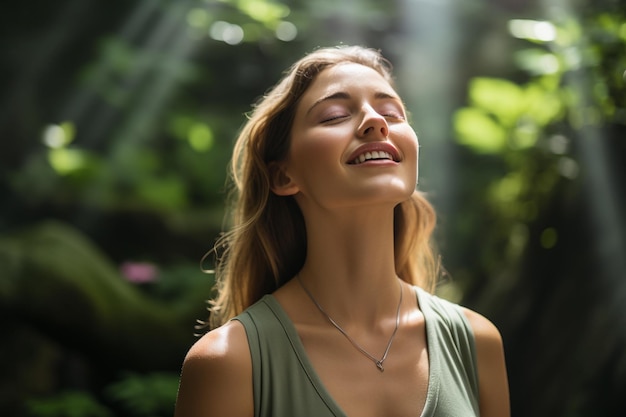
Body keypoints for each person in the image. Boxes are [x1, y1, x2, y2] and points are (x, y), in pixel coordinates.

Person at [174, 45, 510, 417]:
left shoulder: (476, 342)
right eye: (334, 116)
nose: (375, 122)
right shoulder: (230, 363)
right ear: (284, 176)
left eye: (391, 113)